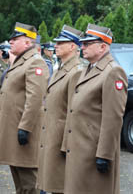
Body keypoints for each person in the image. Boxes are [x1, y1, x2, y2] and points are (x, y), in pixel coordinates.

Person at [61, 24, 128, 194]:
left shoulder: (113, 72)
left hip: (93, 152)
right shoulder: (88, 69)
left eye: (87, 44)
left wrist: (104, 155)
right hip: (79, 149)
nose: (82, 47)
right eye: (83, 44)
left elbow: (113, 118)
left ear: (103, 46)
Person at [0, 22, 49, 194]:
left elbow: (35, 99)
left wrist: (25, 127)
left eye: (15, 39)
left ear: (28, 42)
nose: (11, 42)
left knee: (29, 180)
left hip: (24, 130)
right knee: (19, 179)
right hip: (13, 128)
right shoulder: (20, 61)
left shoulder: (35, 63)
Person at [36, 25, 84, 194]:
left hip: (61, 139)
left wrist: (66, 145)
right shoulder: (60, 69)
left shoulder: (76, 72)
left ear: (73, 46)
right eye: (56, 42)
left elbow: (73, 112)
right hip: (51, 136)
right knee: (52, 184)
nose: (56, 45)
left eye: (61, 43)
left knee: (60, 185)